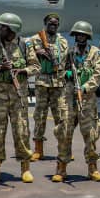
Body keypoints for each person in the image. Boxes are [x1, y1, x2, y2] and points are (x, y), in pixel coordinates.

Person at [0, 13, 39, 184]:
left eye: (3, 27)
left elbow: (35, 66)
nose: (0, 29)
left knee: (21, 132)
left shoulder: (24, 45)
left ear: (12, 29)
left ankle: (25, 168)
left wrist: (24, 71)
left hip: (18, 96)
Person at [64, 20, 100, 182]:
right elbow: (61, 70)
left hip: (87, 100)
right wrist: (67, 74)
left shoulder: (95, 53)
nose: (80, 37)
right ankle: (62, 167)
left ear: (88, 36)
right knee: (64, 133)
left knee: (90, 134)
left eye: (83, 35)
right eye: (78, 34)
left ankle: (93, 168)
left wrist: (85, 87)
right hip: (69, 99)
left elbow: (98, 74)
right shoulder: (70, 52)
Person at [29, 13, 70, 162]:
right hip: (42, 82)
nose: (53, 26)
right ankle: (38, 149)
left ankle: (64, 149)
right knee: (40, 116)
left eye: (56, 24)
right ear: (45, 24)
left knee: (61, 117)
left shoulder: (63, 41)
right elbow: (25, 55)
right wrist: (37, 52)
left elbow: (66, 61)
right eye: (50, 23)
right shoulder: (35, 39)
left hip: (58, 84)